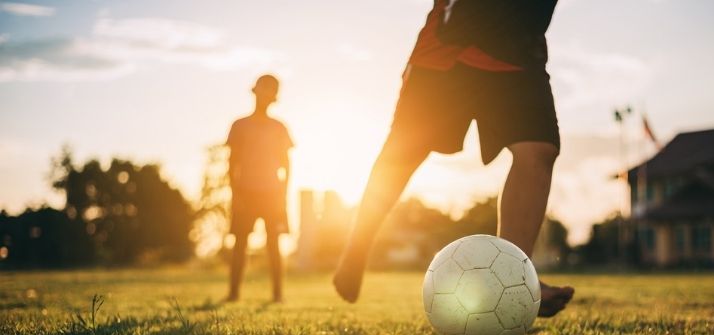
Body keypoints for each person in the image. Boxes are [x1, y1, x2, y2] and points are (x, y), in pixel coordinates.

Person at [333, 0, 574, 316]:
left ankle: (514, 275)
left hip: (519, 51)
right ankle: (357, 248)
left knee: (539, 149)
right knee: (403, 153)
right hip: (452, 44)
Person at [225, 74, 294, 302]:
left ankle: (277, 295)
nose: (267, 95)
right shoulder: (240, 125)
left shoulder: (279, 128)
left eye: (272, 90)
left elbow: (287, 165)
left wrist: (283, 197)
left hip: (272, 193)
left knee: (274, 243)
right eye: (264, 89)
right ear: (255, 92)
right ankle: (234, 293)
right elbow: (232, 164)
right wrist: (235, 195)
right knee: (240, 243)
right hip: (245, 191)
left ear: (275, 97)